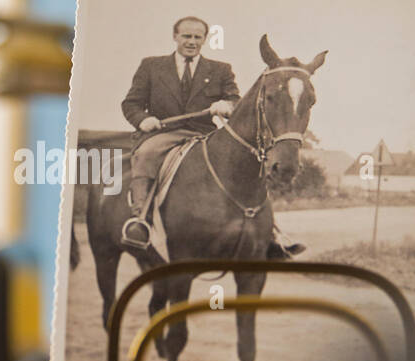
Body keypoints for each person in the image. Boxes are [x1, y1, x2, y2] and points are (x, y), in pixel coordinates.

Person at [121, 16, 304, 257]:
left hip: (204, 134)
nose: (192, 41)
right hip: (164, 133)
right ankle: (141, 220)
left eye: (198, 37)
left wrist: (227, 105)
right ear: (175, 36)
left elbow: (235, 100)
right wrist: (143, 120)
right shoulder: (151, 66)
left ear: (205, 40)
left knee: (251, 160)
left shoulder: (220, 69)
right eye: (186, 36)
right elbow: (131, 103)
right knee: (145, 154)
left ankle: (271, 232)